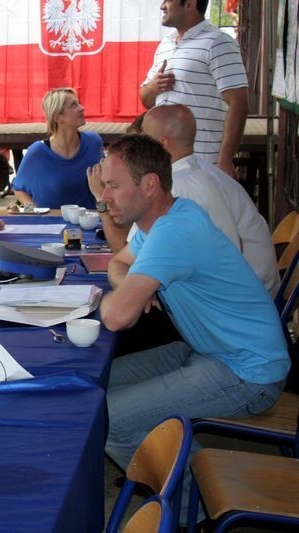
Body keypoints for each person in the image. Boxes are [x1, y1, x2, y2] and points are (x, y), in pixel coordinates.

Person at [98, 134, 289, 523]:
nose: (104, 197)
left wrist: (113, 297)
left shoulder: (174, 231)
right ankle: (191, 460)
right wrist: (134, 284)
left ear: (149, 184)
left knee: (109, 419)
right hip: (209, 352)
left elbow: (116, 317)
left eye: (113, 185)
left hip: (247, 371)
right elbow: (118, 264)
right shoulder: (166, 219)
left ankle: (198, 507)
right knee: (95, 386)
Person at [142, 104, 279, 296]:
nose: (139, 148)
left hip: (244, 296)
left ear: (162, 143)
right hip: (250, 286)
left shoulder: (179, 183)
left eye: (144, 139)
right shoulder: (196, 169)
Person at [139, 0, 248, 177]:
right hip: (162, 163)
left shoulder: (218, 42)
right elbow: (146, 100)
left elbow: (238, 102)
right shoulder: (165, 44)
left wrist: (225, 158)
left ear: (190, 4)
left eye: (168, 1)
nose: (162, 6)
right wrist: (153, 87)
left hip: (203, 161)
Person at [12, 88, 103, 209]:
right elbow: (18, 189)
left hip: (90, 222)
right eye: (73, 105)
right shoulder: (37, 151)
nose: (82, 108)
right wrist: (36, 212)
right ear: (57, 117)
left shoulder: (94, 142)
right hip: (52, 224)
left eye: (79, 103)